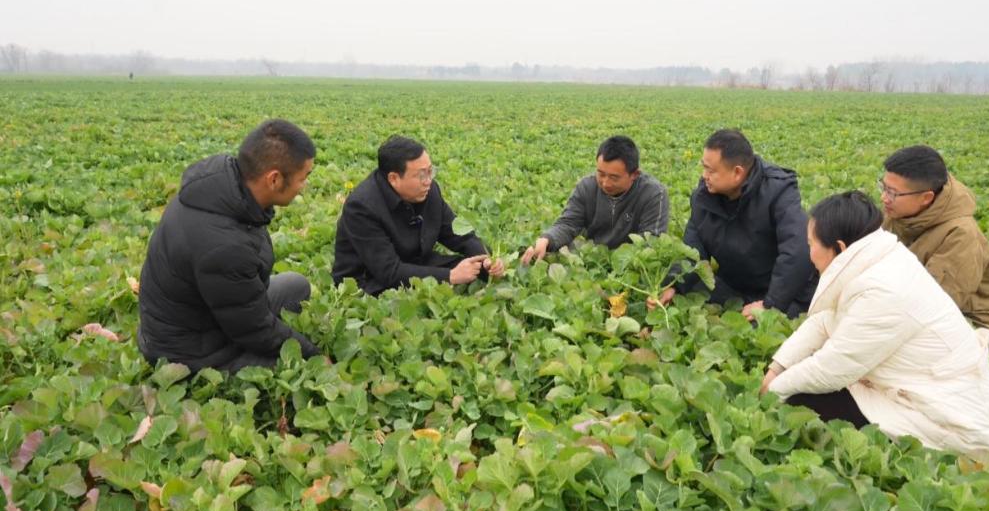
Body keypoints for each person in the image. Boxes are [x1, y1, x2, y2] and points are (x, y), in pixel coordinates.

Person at [761, 191, 989, 455]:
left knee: (799, 401)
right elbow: (824, 320)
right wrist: (777, 367)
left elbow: (832, 367)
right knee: (796, 381)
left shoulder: (884, 291)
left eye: (811, 244)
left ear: (839, 248)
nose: (809, 253)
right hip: (933, 393)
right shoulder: (876, 259)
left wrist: (773, 391)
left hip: (958, 425)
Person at [138, 119, 320, 372]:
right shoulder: (225, 246)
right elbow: (254, 330)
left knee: (296, 286)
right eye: (303, 178)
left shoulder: (223, 189)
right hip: (184, 350)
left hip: (208, 314)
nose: (304, 187)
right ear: (274, 179)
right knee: (301, 368)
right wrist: (314, 355)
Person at [651, 129, 816, 320]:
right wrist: (674, 285)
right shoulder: (704, 197)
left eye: (711, 171)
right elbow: (692, 250)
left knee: (766, 325)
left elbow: (798, 251)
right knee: (686, 294)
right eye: (704, 168)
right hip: (736, 288)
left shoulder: (777, 191)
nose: (704, 176)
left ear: (737, 172)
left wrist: (771, 303)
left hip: (782, 291)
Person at [332, 135, 505, 295]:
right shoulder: (362, 207)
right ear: (393, 178)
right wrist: (450, 276)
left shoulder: (428, 190)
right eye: (422, 175)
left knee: (474, 268)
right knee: (435, 285)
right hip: (370, 280)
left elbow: (459, 235)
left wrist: (487, 260)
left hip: (415, 262)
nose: (428, 181)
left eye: (430, 171)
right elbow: (388, 271)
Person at [879, 145, 989, 333]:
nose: (884, 197)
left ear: (926, 198)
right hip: (901, 303)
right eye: (884, 187)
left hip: (963, 326)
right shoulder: (899, 209)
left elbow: (934, 307)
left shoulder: (961, 235)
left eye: (892, 192)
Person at [521, 135, 669, 264]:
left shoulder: (653, 193)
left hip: (631, 263)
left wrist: (620, 263)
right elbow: (568, 223)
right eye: (601, 174)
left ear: (634, 175)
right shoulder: (587, 187)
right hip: (591, 258)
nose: (605, 183)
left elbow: (651, 242)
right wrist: (547, 239)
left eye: (614, 177)